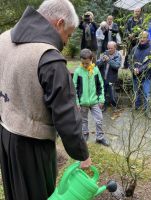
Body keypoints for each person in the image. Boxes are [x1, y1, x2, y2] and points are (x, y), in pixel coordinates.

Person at [0, 0, 91, 199]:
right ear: (59, 23)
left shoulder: (3, 39)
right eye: (68, 34)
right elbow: (66, 116)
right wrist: (82, 155)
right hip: (33, 146)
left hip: (5, 134)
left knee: (14, 193)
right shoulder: (49, 58)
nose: (66, 42)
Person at [73, 49, 109, 146]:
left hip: (94, 101)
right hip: (82, 102)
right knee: (83, 120)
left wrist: (101, 99)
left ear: (91, 59)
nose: (85, 65)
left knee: (99, 119)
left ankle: (99, 137)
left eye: (87, 63)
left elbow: (100, 85)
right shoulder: (77, 72)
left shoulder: (95, 70)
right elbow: (74, 88)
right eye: (83, 63)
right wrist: (77, 102)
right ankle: (85, 134)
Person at [129, 31, 151, 117]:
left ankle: (147, 111)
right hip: (135, 75)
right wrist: (133, 68)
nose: (142, 39)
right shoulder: (134, 48)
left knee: (147, 93)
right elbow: (129, 60)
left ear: (148, 38)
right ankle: (136, 107)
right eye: (141, 37)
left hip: (146, 75)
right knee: (136, 92)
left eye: (144, 37)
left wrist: (140, 69)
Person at [97, 41, 122, 112]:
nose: (109, 50)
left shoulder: (118, 55)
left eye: (111, 48)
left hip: (111, 79)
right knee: (103, 94)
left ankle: (115, 107)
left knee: (112, 96)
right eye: (108, 48)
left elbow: (116, 66)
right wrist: (102, 60)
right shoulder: (105, 53)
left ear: (115, 48)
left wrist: (109, 60)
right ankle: (103, 107)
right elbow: (97, 64)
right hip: (103, 78)